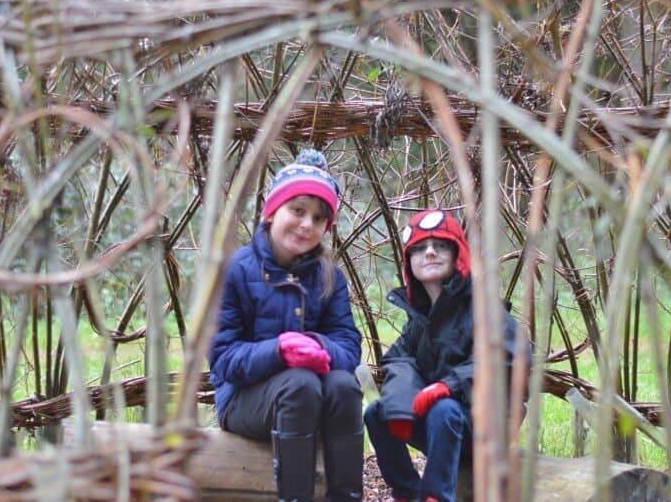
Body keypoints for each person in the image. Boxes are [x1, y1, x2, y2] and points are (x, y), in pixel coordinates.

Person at [208, 149, 363, 502]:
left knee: (343, 385)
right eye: (297, 210)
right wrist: (280, 350)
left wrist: (318, 347)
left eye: (318, 218)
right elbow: (223, 358)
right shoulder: (235, 271)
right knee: (299, 383)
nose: (307, 224)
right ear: (271, 211)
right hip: (243, 401)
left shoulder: (329, 277)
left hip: (312, 398)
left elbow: (349, 347)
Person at [364, 209, 532, 502]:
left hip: (487, 428)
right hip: (443, 426)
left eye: (439, 246)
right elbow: (398, 359)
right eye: (419, 249)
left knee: (444, 409)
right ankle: (407, 493)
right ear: (409, 263)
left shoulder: (482, 304)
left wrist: (449, 385)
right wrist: (403, 403)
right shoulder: (419, 316)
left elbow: (512, 356)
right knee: (377, 413)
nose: (429, 253)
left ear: (458, 256)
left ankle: (436, 497)